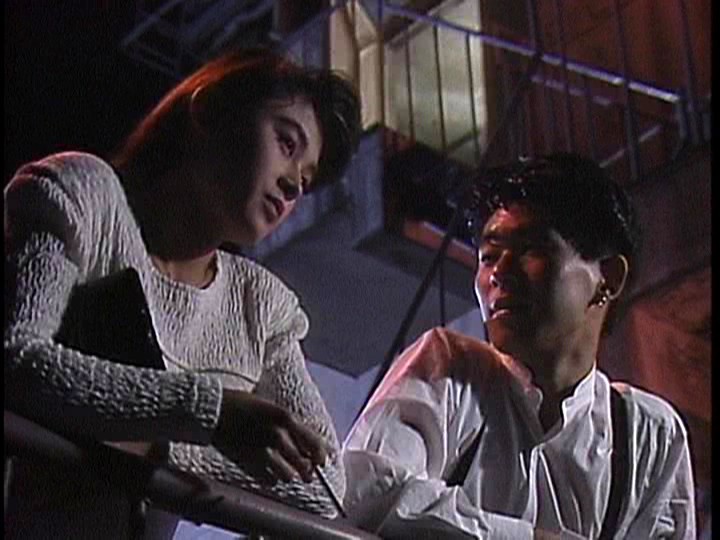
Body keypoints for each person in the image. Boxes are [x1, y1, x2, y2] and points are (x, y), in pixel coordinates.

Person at [4, 47, 361, 538]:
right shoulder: (84, 194)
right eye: (285, 142)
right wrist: (210, 413)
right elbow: (16, 357)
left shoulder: (260, 304)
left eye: (305, 180)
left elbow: (325, 486)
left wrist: (163, 444)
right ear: (209, 109)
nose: (291, 185)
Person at [343, 153, 696, 539]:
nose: (499, 273)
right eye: (488, 256)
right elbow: (366, 492)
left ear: (607, 278)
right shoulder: (450, 369)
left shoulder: (647, 433)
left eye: (532, 248)